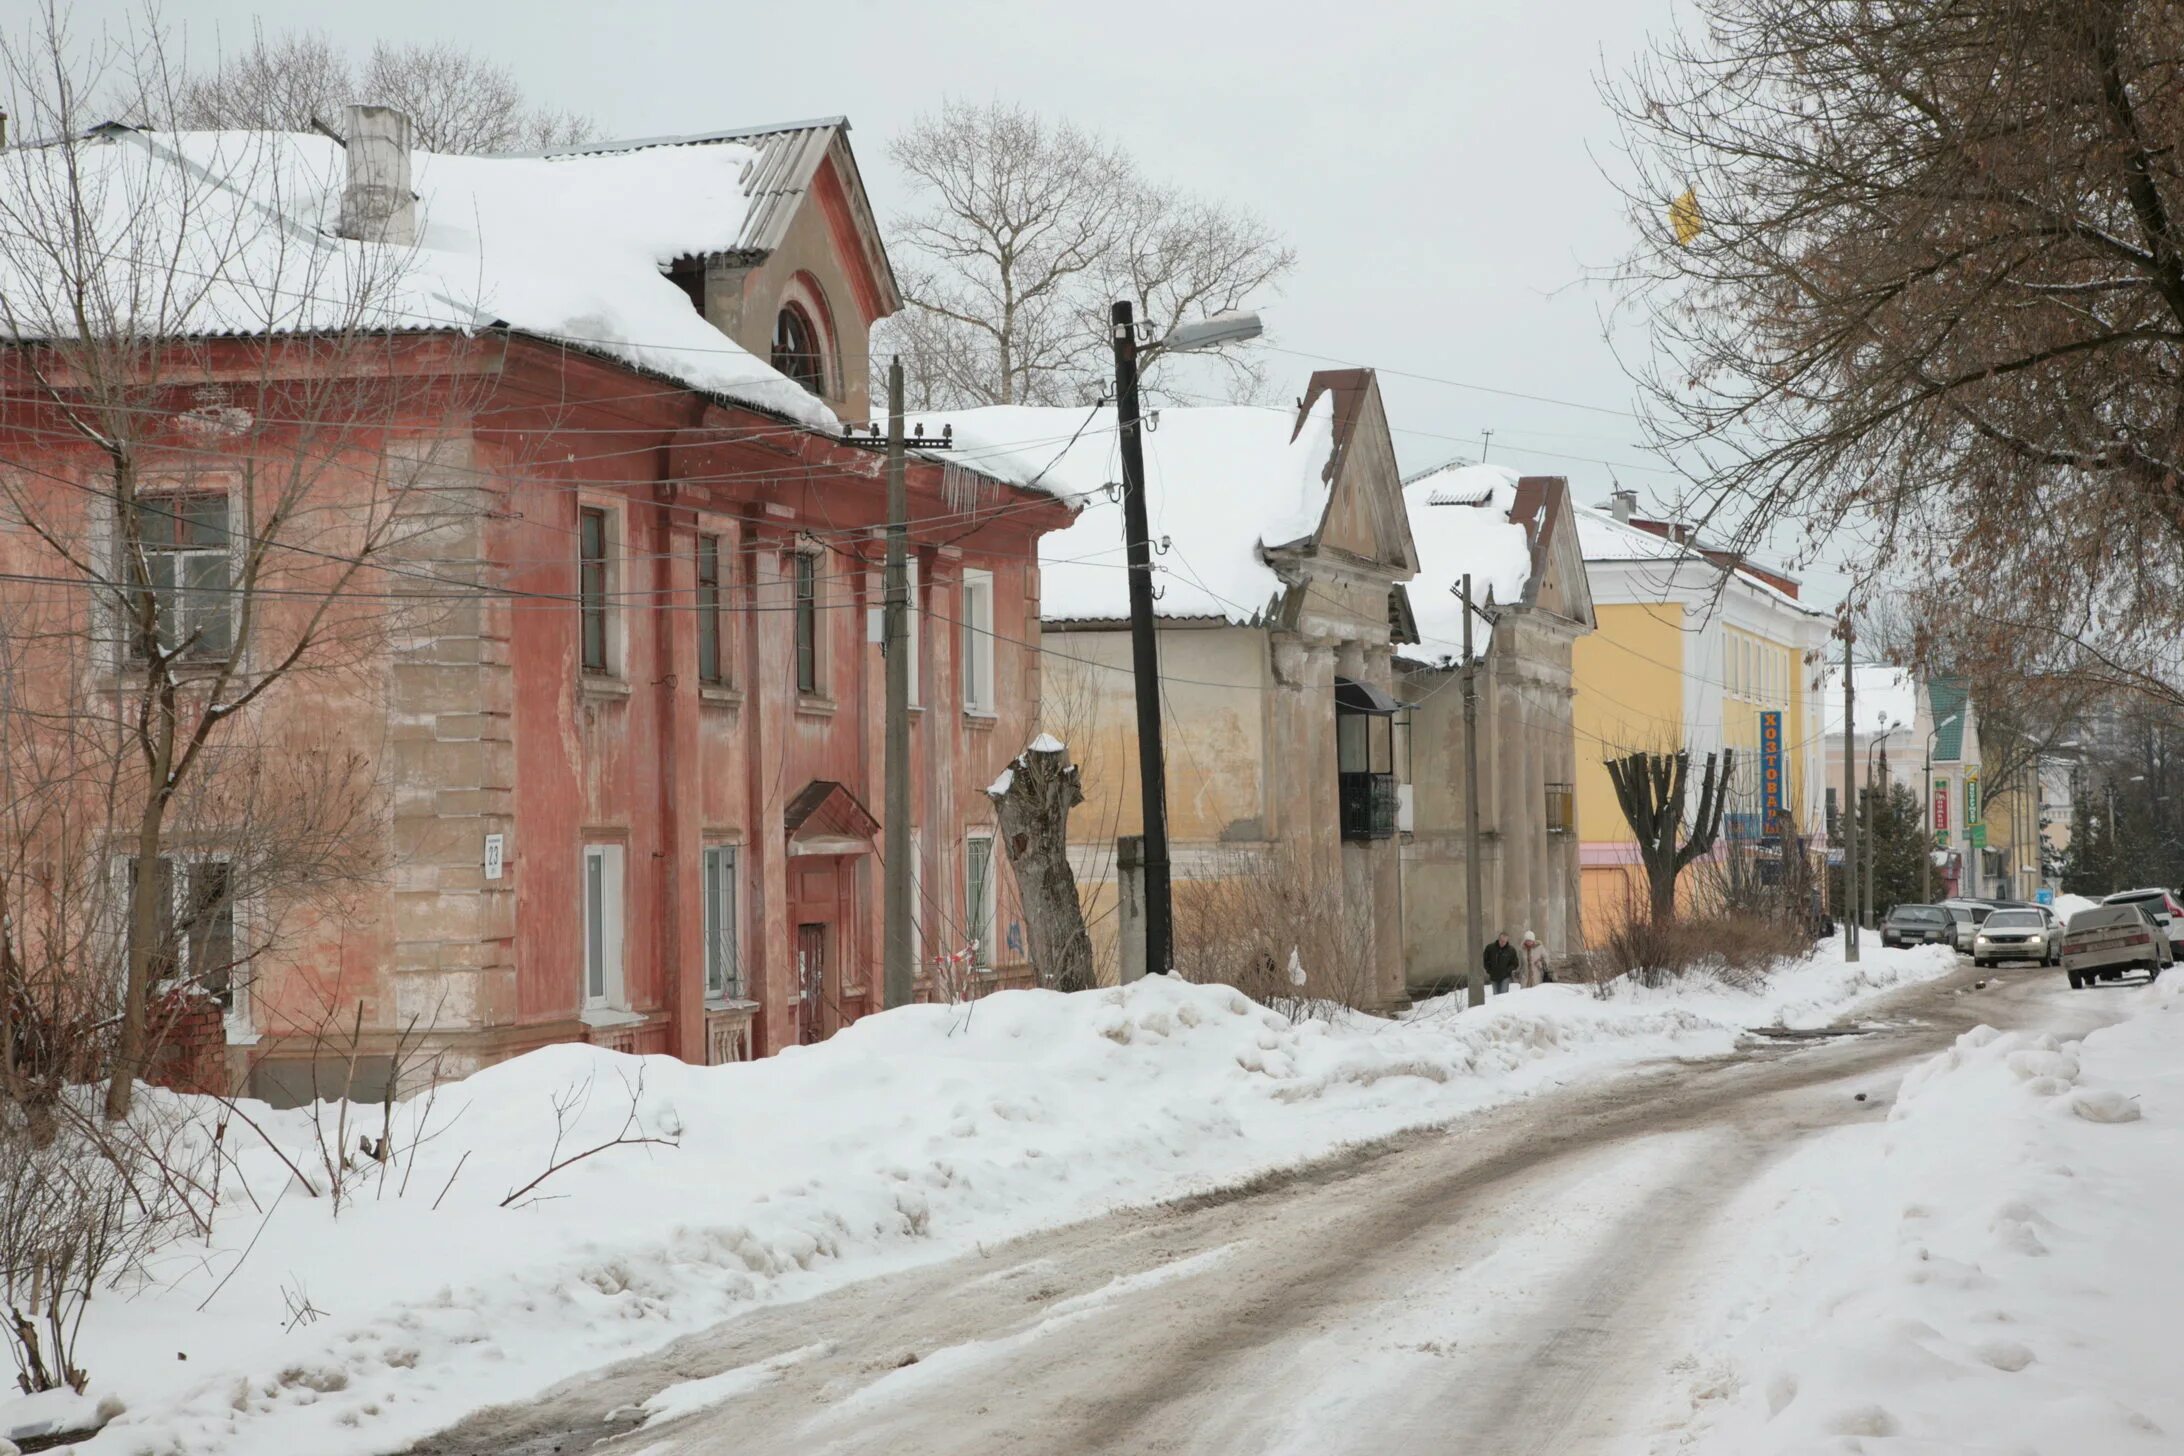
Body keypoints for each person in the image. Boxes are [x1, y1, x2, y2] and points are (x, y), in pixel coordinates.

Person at [1484, 932, 1520, 996]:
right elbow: (1485, 960)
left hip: (1505, 976)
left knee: (1504, 995)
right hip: (1494, 976)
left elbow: (1515, 963)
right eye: (1501, 941)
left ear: (1507, 941)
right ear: (1499, 939)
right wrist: (1489, 970)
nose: (1502, 943)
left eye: (1504, 941)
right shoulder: (1490, 948)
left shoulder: (1511, 950)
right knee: (1496, 995)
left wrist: (1508, 970)